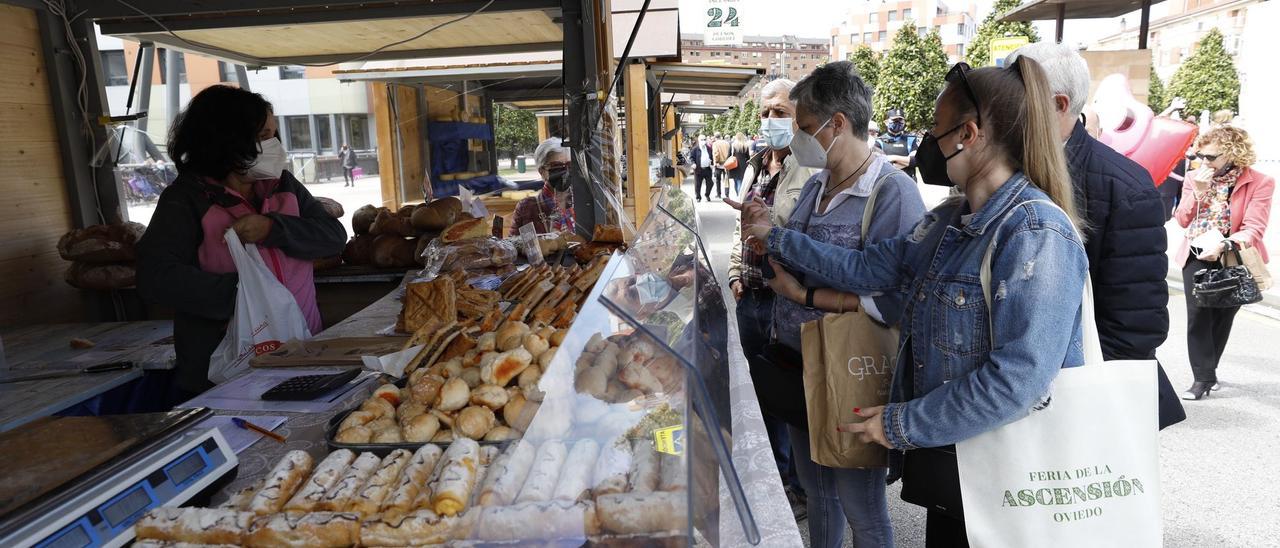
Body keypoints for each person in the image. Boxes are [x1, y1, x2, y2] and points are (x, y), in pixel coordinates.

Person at [741, 57, 1088, 547]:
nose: (929, 144)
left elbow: (1018, 380)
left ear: (968, 134)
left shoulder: (1035, 231)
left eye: (936, 129)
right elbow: (868, 268)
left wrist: (902, 423)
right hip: (954, 463)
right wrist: (775, 240)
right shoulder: (950, 219)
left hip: (1010, 470)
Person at [737, 61, 924, 548]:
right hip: (801, 365)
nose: (796, 137)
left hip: (852, 368)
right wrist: (763, 239)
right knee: (818, 493)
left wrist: (807, 294)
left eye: (803, 127)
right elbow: (794, 255)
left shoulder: (891, 192)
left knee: (862, 507)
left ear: (836, 123)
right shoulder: (817, 183)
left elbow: (893, 294)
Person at [1008, 43, 1185, 428]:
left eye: (1012, 96)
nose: (998, 109)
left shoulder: (1125, 186)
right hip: (1007, 387)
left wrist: (1086, 405)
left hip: (1079, 398)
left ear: (1058, 104)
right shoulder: (1000, 169)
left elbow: (1134, 325)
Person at [136, 85, 347, 399]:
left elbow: (332, 238)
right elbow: (155, 277)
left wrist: (272, 229)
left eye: (274, 135)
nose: (274, 145)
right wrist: (249, 295)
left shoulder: (282, 184)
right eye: (263, 136)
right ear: (226, 139)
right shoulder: (186, 200)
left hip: (301, 347)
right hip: (223, 366)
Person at [725, 78, 814, 518]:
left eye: (779, 112)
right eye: (764, 112)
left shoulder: (810, 170)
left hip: (787, 302)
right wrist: (735, 275)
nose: (770, 120)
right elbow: (738, 229)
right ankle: (775, 477)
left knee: (793, 394)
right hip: (751, 300)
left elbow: (806, 239)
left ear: (798, 116)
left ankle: (798, 486)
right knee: (764, 394)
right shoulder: (754, 165)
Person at [1173, 126, 1274, 400]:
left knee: (1223, 314)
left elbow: (1255, 227)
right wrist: (1199, 192)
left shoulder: (1260, 182)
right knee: (1198, 315)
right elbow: (1182, 220)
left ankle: (1210, 368)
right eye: (1200, 155)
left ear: (1232, 154)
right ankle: (1202, 379)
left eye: (1211, 157)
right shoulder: (1194, 177)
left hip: (1233, 254)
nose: (1203, 162)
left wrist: (1225, 245)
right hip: (1197, 252)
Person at [511, 137, 574, 235]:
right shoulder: (528, 207)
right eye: (556, 166)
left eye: (569, 165)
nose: (565, 171)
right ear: (542, 172)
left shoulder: (582, 201)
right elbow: (514, 244)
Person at [875, 107, 919, 179]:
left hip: (909, 183)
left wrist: (892, 158)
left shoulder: (910, 140)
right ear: (886, 122)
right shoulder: (879, 142)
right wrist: (907, 161)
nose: (898, 122)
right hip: (887, 185)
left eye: (900, 120)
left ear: (904, 122)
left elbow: (916, 161)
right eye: (894, 120)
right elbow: (879, 165)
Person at [690, 134, 715, 202]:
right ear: (699, 140)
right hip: (699, 169)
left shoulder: (709, 148)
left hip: (707, 169)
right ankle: (698, 197)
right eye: (702, 140)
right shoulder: (695, 149)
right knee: (698, 184)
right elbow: (691, 158)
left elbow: (712, 157)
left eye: (704, 139)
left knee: (710, 183)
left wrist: (712, 163)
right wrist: (693, 163)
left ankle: (707, 194)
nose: (703, 141)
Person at [728, 133, 751, 197]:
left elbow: (729, 155)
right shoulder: (745, 146)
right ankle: (740, 196)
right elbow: (748, 157)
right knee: (740, 181)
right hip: (743, 165)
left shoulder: (733, 145)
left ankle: (738, 195)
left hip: (734, 165)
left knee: (736, 182)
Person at [713, 133, 731, 198]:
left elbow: (716, 153)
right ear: (721, 137)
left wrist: (716, 162)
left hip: (719, 164)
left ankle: (719, 194)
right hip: (727, 163)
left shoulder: (715, 144)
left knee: (718, 180)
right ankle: (727, 194)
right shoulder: (727, 143)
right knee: (726, 179)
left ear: (715, 137)